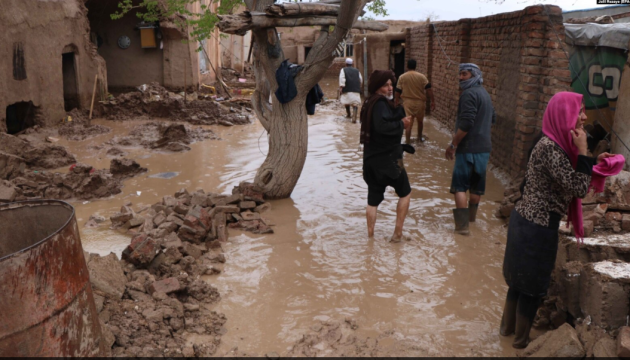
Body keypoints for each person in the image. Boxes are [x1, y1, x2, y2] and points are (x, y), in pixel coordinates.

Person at [499, 91, 613, 349]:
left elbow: (566, 172)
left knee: (518, 284)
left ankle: (506, 335)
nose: (584, 117)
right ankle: (519, 345)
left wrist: (592, 161)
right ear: (564, 115)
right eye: (579, 111)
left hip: (525, 223)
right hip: (536, 229)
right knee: (531, 289)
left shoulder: (551, 143)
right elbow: (578, 187)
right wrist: (584, 151)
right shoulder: (550, 148)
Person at [359, 70, 412, 242]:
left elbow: (377, 126)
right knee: (405, 193)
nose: (390, 88)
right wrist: (401, 124)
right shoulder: (380, 103)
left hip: (370, 161)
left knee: (373, 200)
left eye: (391, 85)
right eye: (386, 85)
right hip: (389, 161)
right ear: (377, 87)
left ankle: (370, 238)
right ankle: (397, 234)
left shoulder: (369, 103)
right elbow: (382, 127)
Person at [444, 63, 496, 235]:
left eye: (464, 74)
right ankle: (472, 220)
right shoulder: (485, 94)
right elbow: (493, 119)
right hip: (484, 148)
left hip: (467, 148)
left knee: (459, 187)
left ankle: (462, 227)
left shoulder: (468, 94)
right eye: (460, 74)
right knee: (476, 186)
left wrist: (453, 145)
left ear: (474, 75)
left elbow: (466, 123)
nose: (460, 78)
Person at [395, 59, 435, 143]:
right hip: (420, 103)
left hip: (407, 103)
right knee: (420, 121)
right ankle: (419, 138)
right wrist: (433, 101)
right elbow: (429, 89)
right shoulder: (422, 76)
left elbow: (398, 90)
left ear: (407, 66)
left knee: (408, 123)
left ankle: (408, 142)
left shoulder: (402, 77)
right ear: (415, 66)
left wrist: (396, 100)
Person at [339, 58, 363, 123]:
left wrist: (341, 87)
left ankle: (349, 114)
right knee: (355, 103)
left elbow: (342, 79)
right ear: (352, 64)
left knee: (347, 102)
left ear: (346, 64)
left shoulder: (343, 70)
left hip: (347, 89)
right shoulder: (357, 70)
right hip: (356, 89)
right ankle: (354, 116)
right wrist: (359, 86)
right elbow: (360, 79)